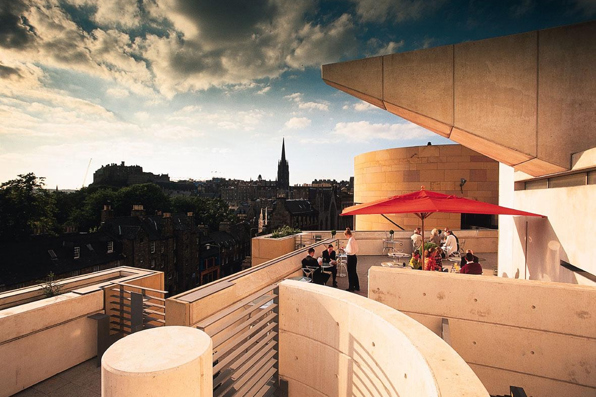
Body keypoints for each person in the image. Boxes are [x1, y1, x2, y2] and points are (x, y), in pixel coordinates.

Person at [343, 228, 359, 292]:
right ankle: (357, 286)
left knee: (350, 273)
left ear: (347, 234)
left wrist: (344, 249)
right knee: (354, 272)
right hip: (354, 257)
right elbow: (356, 249)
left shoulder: (350, 241)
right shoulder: (353, 239)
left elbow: (349, 251)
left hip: (350, 257)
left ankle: (351, 287)